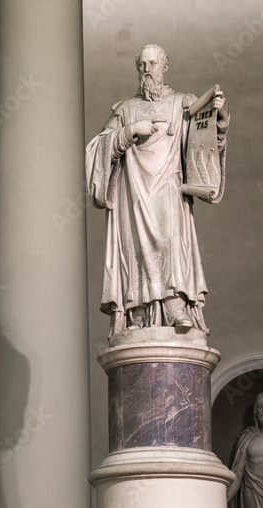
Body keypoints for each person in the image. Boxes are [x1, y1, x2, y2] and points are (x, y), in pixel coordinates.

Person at [86, 44, 228, 336]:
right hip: (133, 193)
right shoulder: (125, 109)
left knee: (169, 243)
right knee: (135, 246)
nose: (147, 70)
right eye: (142, 65)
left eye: (153, 64)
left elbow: (204, 145)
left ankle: (175, 306)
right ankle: (137, 310)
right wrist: (129, 131)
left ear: (165, 65)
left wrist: (220, 117)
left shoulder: (184, 104)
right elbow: (95, 150)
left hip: (170, 188)